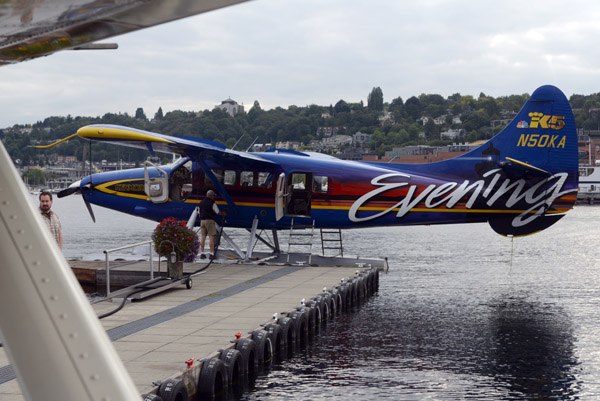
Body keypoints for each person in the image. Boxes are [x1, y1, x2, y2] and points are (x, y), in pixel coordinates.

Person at [199, 190, 226, 259]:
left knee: (203, 237)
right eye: (213, 195)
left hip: (202, 221)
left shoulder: (201, 202)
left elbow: (199, 212)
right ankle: (211, 254)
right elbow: (217, 212)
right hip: (210, 221)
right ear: (211, 196)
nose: (213, 197)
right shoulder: (212, 203)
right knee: (211, 237)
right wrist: (223, 213)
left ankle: (202, 253)